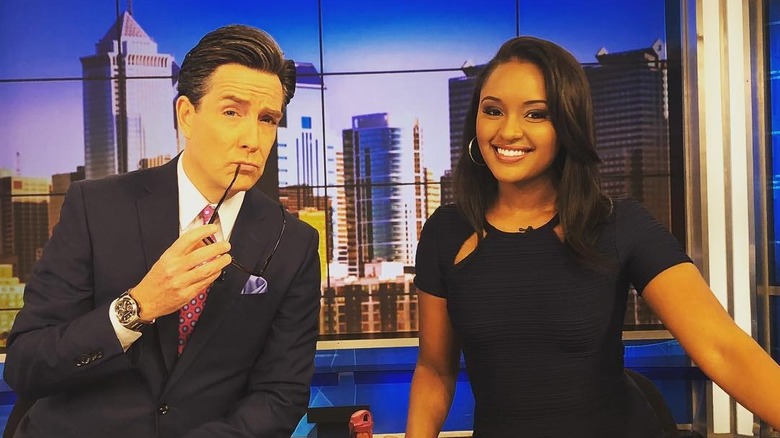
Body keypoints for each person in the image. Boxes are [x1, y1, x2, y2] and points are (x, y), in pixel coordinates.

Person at [406, 36, 780, 437]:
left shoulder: (619, 224)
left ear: (568, 125)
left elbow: (723, 348)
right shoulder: (446, 231)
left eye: (536, 115)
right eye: (493, 110)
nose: (508, 131)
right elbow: (435, 370)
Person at [4, 24, 321, 437]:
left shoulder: (293, 243)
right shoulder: (95, 207)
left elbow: (280, 395)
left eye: (267, 120)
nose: (252, 139)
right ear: (186, 115)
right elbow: (27, 364)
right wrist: (137, 307)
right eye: (232, 112)